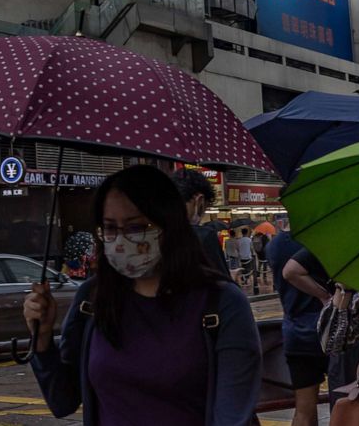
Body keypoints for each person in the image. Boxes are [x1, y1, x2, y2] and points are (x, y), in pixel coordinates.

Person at [23, 165, 260, 426]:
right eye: (110, 228)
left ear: (168, 224)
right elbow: (62, 401)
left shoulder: (222, 303)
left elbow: (232, 414)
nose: (121, 240)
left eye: (135, 227)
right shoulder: (92, 298)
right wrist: (42, 339)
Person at [266, 222, 332, 426]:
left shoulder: (274, 245)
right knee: (344, 401)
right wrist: (325, 296)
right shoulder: (321, 238)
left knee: (303, 410)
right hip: (331, 331)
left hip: (296, 332)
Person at [171, 168, 230, 278]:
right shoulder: (203, 236)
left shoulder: (156, 234)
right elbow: (222, 285)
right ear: (200, 201)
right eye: (205, 209)